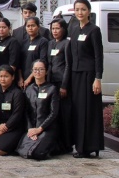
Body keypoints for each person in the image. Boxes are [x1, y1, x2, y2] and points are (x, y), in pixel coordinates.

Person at [66, 0, 104, 158]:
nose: (80, 12)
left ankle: (89, 146)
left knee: (88, 111)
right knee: (77, 110)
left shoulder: (94, 30)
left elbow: (98, 56)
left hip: (89, 75)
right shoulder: (73, 29)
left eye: (83, 9)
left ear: (89, 11)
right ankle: (79, 145)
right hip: (75, 74)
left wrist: (98, 78)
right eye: (77, 9)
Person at [16, 59, 60, 160]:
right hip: (32, 128)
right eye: (35, 69)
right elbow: (26, 111)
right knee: (22, 151)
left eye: (41, 69)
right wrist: (31, 129)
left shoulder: (52, 89)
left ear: (46, 71)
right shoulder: (29, 89)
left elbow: (54, 113)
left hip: (46, 128)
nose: (38, 72)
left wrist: (40, 129)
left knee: (37, 154)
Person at [0, 65, 25, 155]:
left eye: (6, 76)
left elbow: (17, 114)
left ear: (13, 77)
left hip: (13, 127)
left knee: (0, 150)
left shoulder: (17, 93)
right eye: (1, 76)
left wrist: (4, 128)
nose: (3, 79)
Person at [48, 17, 72, 153]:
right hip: (51, 82)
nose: (55, 31)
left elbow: (68, 65)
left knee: (64, 114)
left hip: (62, 83)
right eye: (53, 29)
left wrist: (64, 85)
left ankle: (66, 144)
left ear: (63, 29)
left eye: (57, 28)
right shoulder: (51, 43)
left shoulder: (66, 44)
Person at [0, 18, 21, 90]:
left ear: (9, 28)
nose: (1, 29)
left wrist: (6, 76)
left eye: (4, 27)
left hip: (6, 76)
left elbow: (13, 62)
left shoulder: (13, 42)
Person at [18, 17, 49, 89]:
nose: (30, 28)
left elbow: (43, 61)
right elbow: (19, 62)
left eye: (33, 26)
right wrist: (20, 78)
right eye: (28, 26)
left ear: (38, 27)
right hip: (22, 79)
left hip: (37, 77)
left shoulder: (43, 41)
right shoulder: (24, 42)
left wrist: (30, 78)